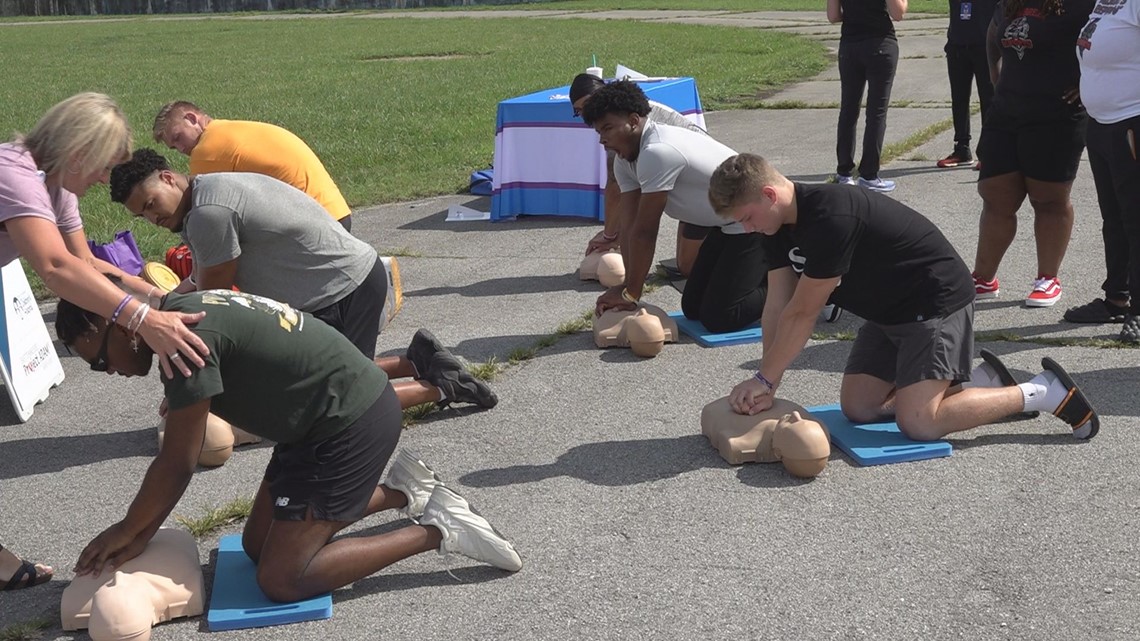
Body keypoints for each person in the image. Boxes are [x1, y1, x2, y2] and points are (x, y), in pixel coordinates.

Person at [57, 289, 522, 603]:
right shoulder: (187, 307)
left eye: (99, 362)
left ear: (119, 327)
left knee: (282, 578)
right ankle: (406, 493)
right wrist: (137, 531)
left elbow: (177, 461)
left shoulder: (187, 344)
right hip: (317, 426)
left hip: (350, 425)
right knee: (258, 546)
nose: (109, 373)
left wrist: (128, 528)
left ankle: (440, 529)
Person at [707, 153, 1099, 442]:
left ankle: (1042, 392)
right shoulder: (774, 228)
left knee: (919, 423)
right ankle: (984, 380)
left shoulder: (830, 218)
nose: (746, 228)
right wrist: (766, 378)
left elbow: (803, 312)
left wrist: (765, 378)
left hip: (934, 304)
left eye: (746, 217)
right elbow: (778, 305)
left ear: (769, 194)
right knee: (859, 408)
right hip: (889, 313)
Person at [0, 92, 210, 591]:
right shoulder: (15, 176)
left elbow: (87, 263)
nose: (101, 180)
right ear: (78, 150)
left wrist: (160, 299)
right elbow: (53, 269)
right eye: (101, 167)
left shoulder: (56, 186)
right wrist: (142, 320)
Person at [110, 148, 496, 410]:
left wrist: (188, 389)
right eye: (140, 215)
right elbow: (199, 282)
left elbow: (212, 303)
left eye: (150, 203)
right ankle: (417, 359)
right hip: (340, 284)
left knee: (341, 402)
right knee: (315, 379)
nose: (151, 218)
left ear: (167, 177)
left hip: (343, 291)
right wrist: (158, 306)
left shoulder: (209, 213)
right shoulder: (208, 190)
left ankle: (445, 385)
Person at [580, 81, 768, 334]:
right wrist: (627, 287)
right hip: (725, 226)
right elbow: (629, 226)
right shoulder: (625, 161)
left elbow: (646, 231)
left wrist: (631, 294)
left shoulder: (659, 152)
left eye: (608, 128)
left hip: (759, 222)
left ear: (634, 121)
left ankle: (795, 282)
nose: (603, 140)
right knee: (693, 307)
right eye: (598, 132)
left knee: (721, 318)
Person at [970, 0, 1096, 307]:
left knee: (1048, 200)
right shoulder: (1010, 2)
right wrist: (993, 73)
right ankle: (983, 279)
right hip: (1006, 112)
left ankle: (1047, 278)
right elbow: (993, 34)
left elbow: (1108, 40)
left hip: (1056, 114)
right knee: (995, 193)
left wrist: (1088, 81)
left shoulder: (1083, 5)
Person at [569, 74, 710, 278]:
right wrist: (616, 236)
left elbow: (637, 217)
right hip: (695, 190)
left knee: (690, 268)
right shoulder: (621, 124)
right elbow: (625, 198)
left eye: (587, 107)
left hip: (708, 191)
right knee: (685, 265)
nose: (587, 116)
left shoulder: (625, 128)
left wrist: (610, 237)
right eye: (579, 112)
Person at [152, 101, 354, 232]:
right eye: (173, 146)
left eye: (178, 137)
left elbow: (203, 215)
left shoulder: (207, 149)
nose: (180, 148)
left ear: (192, 118)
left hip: (315, 226)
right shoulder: (231, 129)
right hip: (336, 210)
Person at [1065, 0, 1140, 342]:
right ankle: (1117, 298)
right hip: (1101, 124)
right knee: (1115, 217)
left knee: (1136, 219)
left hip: (1131, 123)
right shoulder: (1106, 1)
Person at [828, 0, 908, 192]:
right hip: (880, 43)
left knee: (848, 110)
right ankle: (869, 174)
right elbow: (898, 13)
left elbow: (833, 16)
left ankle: (844, 172)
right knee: (876, 113)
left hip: (850, 45)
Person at [938, 0, 997, 168]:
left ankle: (989, 152)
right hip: (957, 44)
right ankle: (962, 148)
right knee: (959, 98)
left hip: (985, 45)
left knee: (989, 99)